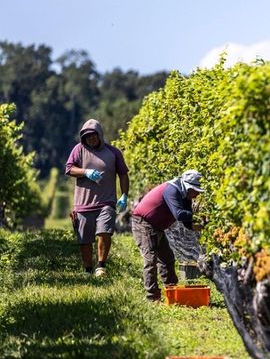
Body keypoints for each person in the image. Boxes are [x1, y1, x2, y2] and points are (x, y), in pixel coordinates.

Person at [65, 119, 130, 277]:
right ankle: (87, 269)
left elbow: (123, 174)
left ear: (100, 135)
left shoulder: (113, 152)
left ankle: (101, 266)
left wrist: (124, 195)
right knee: (85, 239)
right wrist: (85, 172)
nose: (91, 139)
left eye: (94, 136)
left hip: (106, 201)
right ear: (83, 138)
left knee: (104, 232)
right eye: (87, 137)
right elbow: (69, 169)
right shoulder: (78, 150)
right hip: (83, 203)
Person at [131, 169, 205, 302]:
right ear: (188, 187)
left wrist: (203, 226)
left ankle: (172, 292)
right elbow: (179, 214)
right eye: (196, 191)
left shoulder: (185, 195)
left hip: (156, 226)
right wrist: (199, 215)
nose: (196, 195)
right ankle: (152, 297)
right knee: (150, 260)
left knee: (167, 259)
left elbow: (187, 223)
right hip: (143, 224)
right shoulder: (173, 190)